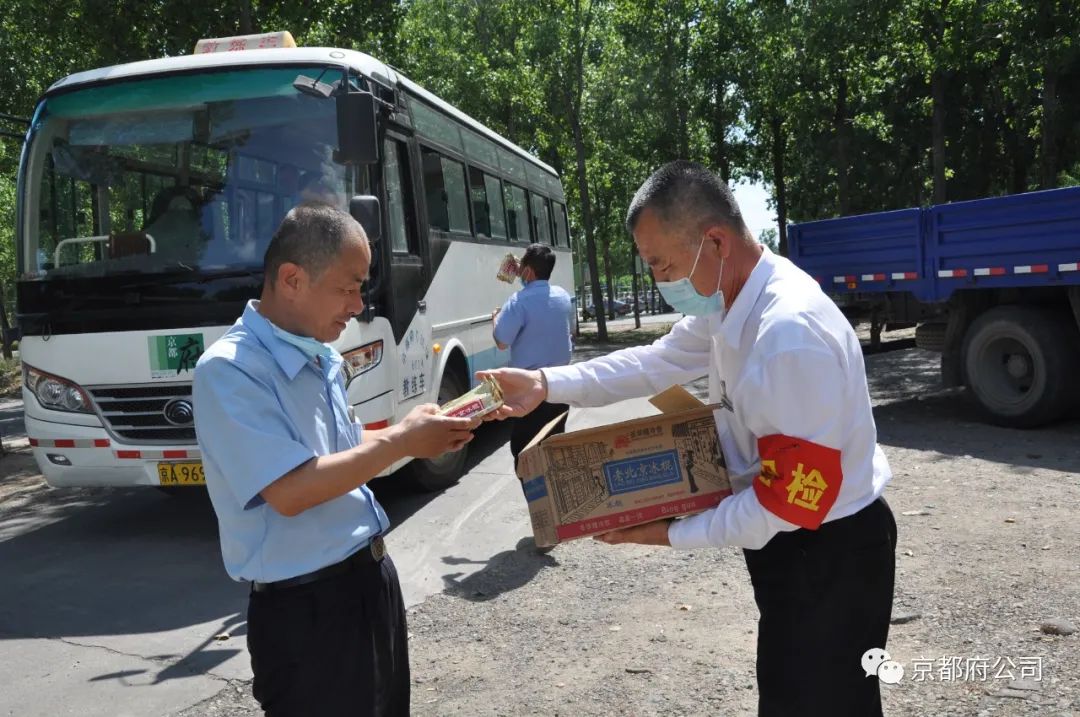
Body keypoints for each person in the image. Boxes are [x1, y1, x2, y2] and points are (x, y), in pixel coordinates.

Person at [481, 161, 897, 717]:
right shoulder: (734, 301)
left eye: (663, 264)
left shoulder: (786, 335)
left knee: (821, 701)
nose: (660, 280)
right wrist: (544, 384)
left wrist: (669, 534)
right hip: (795, 543)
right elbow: (654, 363)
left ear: (715, 242)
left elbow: (790, 501)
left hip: (827, 552)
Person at [193, 202, 479, 717]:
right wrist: (402, 442)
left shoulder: (316, 349)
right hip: (307, 614)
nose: (357, 305)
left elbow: (338, 451)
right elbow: (291, 490)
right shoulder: (230, 370)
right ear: (292, 279)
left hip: (369, 584)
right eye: (348, 288)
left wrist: (417, 432)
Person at [491, 243, 575, 469]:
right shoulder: (563, 296)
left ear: (528, 271)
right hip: (560, 385)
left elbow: (502, 342)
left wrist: (496, 319)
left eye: (522, 269)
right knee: (555, 445)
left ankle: (538, 491)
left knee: (525, 451)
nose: (518, 273)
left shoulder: (518, 301)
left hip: (530, 387)